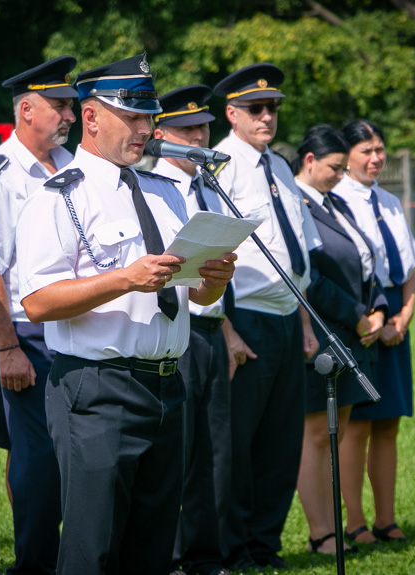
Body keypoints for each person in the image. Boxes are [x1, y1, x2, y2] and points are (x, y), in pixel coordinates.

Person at [16, 53, 236, 575]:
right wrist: (123, 278)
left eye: (148, 118)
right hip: (98, 389)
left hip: (167, 384)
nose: (145, 129)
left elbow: (189, 298)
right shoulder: (58, 197)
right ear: (91, 117)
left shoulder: (168, 193)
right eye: (133, 117)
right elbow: (37, 302)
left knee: (152, 549)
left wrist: (211, 285)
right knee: (92, 550)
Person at [0, 55, 78, 575]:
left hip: (78, 324)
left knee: (78, 453)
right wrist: (5, 345)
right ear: (26, 109)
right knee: (37, 458)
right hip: (29, 334)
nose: (70, 116)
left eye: (71, 107)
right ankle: (35, 564)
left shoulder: (71, 161)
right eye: (59, 106)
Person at [211, 63, 320, 570]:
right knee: (238, 445)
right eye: (256, 108)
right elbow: (212, 256)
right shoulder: (220, 166)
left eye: (273, 107)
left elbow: (293, 252)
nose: (267, 116)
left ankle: (264, 543)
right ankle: (231, 548)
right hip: (245, 319)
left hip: (285, 318)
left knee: (280, 443)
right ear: (231, 114)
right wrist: (227, 329)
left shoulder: (277, 165)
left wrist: (302, 324)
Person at [292, 124, 388, 555]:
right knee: (317, 434)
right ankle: (322, 533)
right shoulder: (297, 205)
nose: (339, 175)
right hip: (327, 330)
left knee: (339, 431)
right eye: (334, 168)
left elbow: (366, 259)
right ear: (309, 162)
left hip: (354, 331)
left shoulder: (334, 203)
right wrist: (358, 315)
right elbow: (307, 278)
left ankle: (333, 527)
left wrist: (378, 306)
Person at [151, 84, 233, 575]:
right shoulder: (153, 186)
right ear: (161, 134)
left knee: (211, 448)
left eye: (202, 127)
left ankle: (205, 553)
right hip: (174, 329)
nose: (197, 136)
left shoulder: (207, 185)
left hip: (211, 326)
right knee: (176, 450)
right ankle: (173, 555)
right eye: (186, 129)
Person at [330, 120, 415, 544]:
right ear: (346, 156)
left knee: (389, 424)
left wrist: (403, 316)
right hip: (361, 324)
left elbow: (408, 269)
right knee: (359, 426)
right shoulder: (335, 202)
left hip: (394, 326)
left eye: (380, 149)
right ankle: (355, 521)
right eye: (366, 150)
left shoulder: (388, 200)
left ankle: (387, 518)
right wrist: (376, 321)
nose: (376, 159)